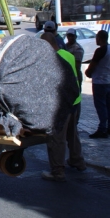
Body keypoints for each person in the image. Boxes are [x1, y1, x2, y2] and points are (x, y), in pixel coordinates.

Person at [38, 32, 86, 182]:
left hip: (61, 105)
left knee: (56, 138)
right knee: (72, 134)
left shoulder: (50, 60)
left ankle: (57, 171)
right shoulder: (68, 55)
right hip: (75, 101)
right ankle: (77, 161)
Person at [85, 29, 110, 139]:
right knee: (108, 106)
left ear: (99, 38)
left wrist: (88, 72)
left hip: (100, 81)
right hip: (108, 81)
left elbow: (92, 65)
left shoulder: (100, 51)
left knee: (101, 107)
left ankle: (102, 129)